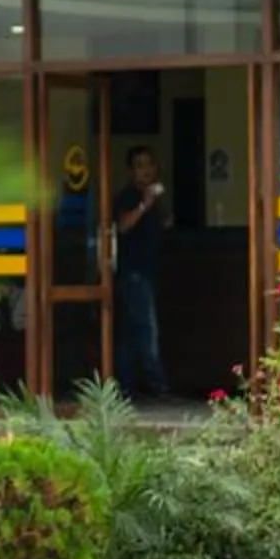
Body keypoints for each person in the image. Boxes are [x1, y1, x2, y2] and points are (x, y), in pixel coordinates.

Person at [111, 145, 171, 400]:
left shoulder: (154, 200)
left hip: (146, 271)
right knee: (146, 330)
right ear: (131, 171)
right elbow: (122, 226)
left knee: (129, 332)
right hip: (133, 273)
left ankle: (124, 387)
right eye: (139, 166)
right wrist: (144, 204)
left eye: (149, 164)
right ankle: (159, 387)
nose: (146, 170)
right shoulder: (130, 196)